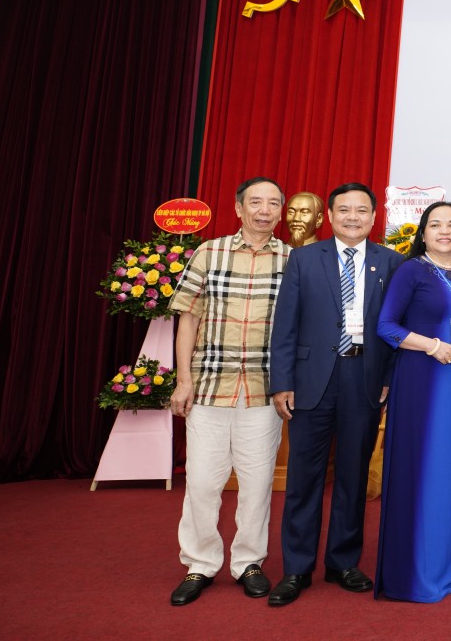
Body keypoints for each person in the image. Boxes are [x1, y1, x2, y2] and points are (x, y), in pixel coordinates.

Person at [267, 183, 404, 606]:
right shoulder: (304, 259)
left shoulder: (391, 262)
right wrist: (282, 381)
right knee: (303, 480)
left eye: (362, 210)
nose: (353, 217)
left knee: (353, 476)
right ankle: (296, 568)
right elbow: (285, 325)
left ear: (374, 217)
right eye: (344, 210)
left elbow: (397, 327)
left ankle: (343, 562)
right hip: (311, 381)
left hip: (363, 378)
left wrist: (388, 376)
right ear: (329, 216)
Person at [167, 177, 290, 606]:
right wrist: (184, 380)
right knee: (202, 482)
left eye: (273, 203)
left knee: (257, 485)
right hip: (209, 387)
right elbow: (188, 318)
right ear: (239, 208)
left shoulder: (293, 260)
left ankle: (249, 562)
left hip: (263, 391)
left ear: (281, 212)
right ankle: (200, 564)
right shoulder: (209, 252)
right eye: (256, 202)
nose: (264, 210)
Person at [375, 201, 451, 603]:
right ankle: (415, 571)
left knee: (449, 470)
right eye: (436, 225)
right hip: (422, 380)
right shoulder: (411, 270)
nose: (444, 231)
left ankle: (447, 561)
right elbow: (386, 326)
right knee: (422, 468)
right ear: (423, 232)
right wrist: (432, 346)